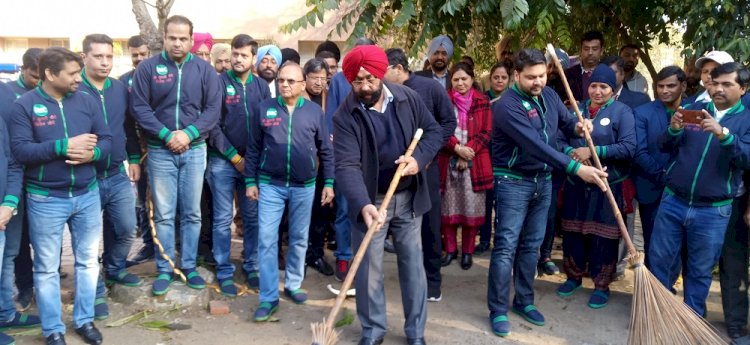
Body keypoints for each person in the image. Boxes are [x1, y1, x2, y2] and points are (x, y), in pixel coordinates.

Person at [488, 48, 608, 337]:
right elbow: (538, 146)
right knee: (505, 247)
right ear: (517, 75)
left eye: (541, 75)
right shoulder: (506, 106)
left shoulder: (550, 95)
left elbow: (565, 125)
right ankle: (498, 309)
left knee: (532, 245)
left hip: (543, 181)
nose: (537, 82)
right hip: (513, 182)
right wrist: (577, 169)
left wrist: (580, 127)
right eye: (531, 77)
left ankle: (524, 301)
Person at [334, 45, 442, 345]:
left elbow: (433, 132)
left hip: (407, 198)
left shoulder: (408, 98)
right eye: (357, 81)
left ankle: (416, 332)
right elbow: (346, 165)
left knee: (413, 266)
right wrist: (363, 204)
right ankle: (373, 330)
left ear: (381, 73)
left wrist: (417, 159)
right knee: (368, 268)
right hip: (371, 199)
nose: (365, 87)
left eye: (370, 79)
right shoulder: (346, 114)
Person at [11, 46, 112, 345]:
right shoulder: (25, 106)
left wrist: (92, 153)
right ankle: (53, 329)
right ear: (50, 74)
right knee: (45, 268)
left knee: (87, 262)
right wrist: (62, 146)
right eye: (72, 73)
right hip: (45, 198)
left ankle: (84, 320)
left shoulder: (87, 101)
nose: (79, 78)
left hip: (87, 194)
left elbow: (107, 139)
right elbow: (20, 151)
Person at [649, 62, 750, 317]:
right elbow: (664, 146)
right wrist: (672, 130)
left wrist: (724, 134)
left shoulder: (747, 120)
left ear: (743, 88)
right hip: (673, 201)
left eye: (727, 84)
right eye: (715, 82)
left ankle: (690, 320)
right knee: (660, 261)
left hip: (712, 211)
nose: (718, 89)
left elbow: (746, 159)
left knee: (699, 270)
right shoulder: (694, 109)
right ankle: (659, 314)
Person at [130, 15, 221, 296]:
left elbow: (213, 110)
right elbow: (140, 108)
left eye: (183, 38)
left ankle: (190, 266)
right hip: (160, 151)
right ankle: (166, 267)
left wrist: (189, 133)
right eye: (173, 38)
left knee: (192, 213)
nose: (178, 43)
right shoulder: (147, 69)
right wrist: (168, 135)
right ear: (164, 37)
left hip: (194, 150)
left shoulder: (205, 72)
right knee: (165, 214)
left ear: (192, 41)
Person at [245, 62, 334, 321]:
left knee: (298, 238)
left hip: (304, 186)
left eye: (290, 81)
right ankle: (268, 296)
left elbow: (326, 151)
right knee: (267, 239)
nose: (284, 85)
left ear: (302, 84)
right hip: (270, 185)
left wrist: (328, 183)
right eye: (281, 80)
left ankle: (294, 284)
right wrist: (250, 181)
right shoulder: (265, 109)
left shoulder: (314, 112)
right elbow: (253, 148)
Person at [556, 64, 636, 308]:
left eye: (604, 87)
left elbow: (628, 147)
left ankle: (602, 285)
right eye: (593, 86)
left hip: (606, 186)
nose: (598, 91)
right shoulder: (576, 110)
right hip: (576, 184)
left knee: (604, 239)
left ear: (613, 89)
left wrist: (593, 150)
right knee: (573, 233)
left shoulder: (622, 112)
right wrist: (571, 151)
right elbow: (558, 139)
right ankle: (573, 277)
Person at [384, 47, 456, 301]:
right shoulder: (384, 93)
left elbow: (448, 123)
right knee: (402, 226)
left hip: (426, 167)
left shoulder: (429, 88)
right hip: (396, 169)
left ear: (398, 69)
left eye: (384, 70)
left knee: (429, 224)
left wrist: (426, 154)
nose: (380, 77)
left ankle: (433, 283)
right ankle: (411, 281)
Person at [79, 34, 143, 321]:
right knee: (88, 241)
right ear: (85, 58)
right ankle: (95, 293)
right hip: (86, 178)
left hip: (117, 173)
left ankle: (115, 267)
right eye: (98, 56)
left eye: (109, 57)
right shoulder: (74, 88)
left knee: (128, 227)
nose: (105, 62)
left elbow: (128, 126)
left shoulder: (119, 89)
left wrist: (132, 157)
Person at [205, 34, 269, 296]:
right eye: (235, 53)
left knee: (252, 218)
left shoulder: (262, 86)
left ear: (253, 58)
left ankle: (251, 265)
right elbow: (212, 126)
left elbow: (266, 126)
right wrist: (235, 158)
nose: (238, 59)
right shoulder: (218, 83)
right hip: (223, 162)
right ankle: (223, 269)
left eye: (244, 55)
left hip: (252, 166)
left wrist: (251, 162)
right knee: (222, 220)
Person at [324, 38, 376, 282]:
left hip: (375, 160)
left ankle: (365, 260)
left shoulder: (378, 79)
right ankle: (344, 257)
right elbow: (331, 120)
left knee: (371, 208)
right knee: (345, 208)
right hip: (348, 157)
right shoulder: (339, 81)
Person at [632, 66, 689, 268]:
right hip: (652, 187)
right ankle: (654, 291)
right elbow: (639, 152)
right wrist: (663, 176)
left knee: (682, 245)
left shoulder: (695, 111)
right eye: (660, 86)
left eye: (671, 86)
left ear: (682, 86)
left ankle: (670, 287)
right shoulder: (642, 113)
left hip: (686, 191)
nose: (664, 91)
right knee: (653, 242)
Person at [438, 62, 493, 270]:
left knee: (471, 211)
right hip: (448, 161)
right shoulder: (444, 100)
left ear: (472, 79)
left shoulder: (482, 101)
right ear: (450, 81)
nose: (460, 83)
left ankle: (468, 252)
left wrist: (467, 151)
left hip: (475, 163)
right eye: (456, 80)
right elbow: (440, 128)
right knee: (448, 210)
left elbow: (486, 132)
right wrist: (457, 149)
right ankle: (451, 249)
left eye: (464, 79)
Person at [121, 34, 155, 267]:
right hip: (140, 153)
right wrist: (134, 156)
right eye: (135, 55)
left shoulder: (163, 76)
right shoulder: (123, 82)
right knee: (143, 200)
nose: (140, 59)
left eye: (144, 54)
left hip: (166, 149)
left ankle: (174, 246)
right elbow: (125, 124)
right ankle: (149, 245)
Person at [301, 58, 336, 276]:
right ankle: (301, 257)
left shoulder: (328, 97)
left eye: (323, 78)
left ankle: (316, 254)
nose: (319, 82)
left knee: (321, 212)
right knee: (301, 214)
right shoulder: (298, 97)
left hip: (324, 162)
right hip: (303, 164)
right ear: (305, 78)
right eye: (315, 78)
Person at [477, 60, 514, 255]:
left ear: (509, 80)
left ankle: (500, 241)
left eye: (503, 77)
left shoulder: (513, 100)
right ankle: (483, 240)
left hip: (506, 159)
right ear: (490, 79)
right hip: (485, 155)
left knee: (503, 203)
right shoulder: (483, 100)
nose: (499, 81)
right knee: (486, 200)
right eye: (496, 77)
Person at [0, 81, 24, 345]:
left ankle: (6, 313)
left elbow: (13, 163)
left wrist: (8, 203)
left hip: (5, 208)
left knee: (7, 258)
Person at [565, 31, 604, 102]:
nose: (590, 53)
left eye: (594, 49)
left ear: (601, 51)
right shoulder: (569, 74)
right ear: (581, 50)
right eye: (586, 49)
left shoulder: (607, 73)